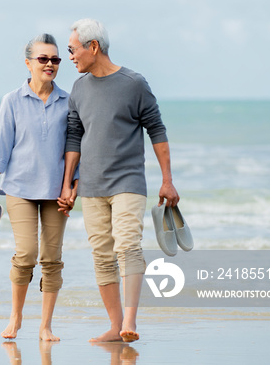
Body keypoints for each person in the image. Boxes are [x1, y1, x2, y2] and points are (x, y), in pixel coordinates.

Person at [58, 18, 179, 343]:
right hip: (92, 186)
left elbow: (157, 129)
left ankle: (130, 321)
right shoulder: (79, 89)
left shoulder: (133, 83)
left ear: (93, 47)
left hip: (128, 182)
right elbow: (73, 137)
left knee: (127, 246)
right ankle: (115, 326)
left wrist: (167, 180)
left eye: (72, 50)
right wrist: (69, 184)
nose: (70, 57)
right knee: (101, 254)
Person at [0, 33, 77, 341]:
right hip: (19, 188)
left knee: (52, 258)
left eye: (55, 59)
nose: (50, 64)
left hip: (56, 192)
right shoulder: (12, 101)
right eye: (43, 59)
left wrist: (73, 186)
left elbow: (76, 146)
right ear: (29, 63)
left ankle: (45, 326)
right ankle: (16, 317)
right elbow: (1, 149)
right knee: (27, 254)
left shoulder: (69, 101)